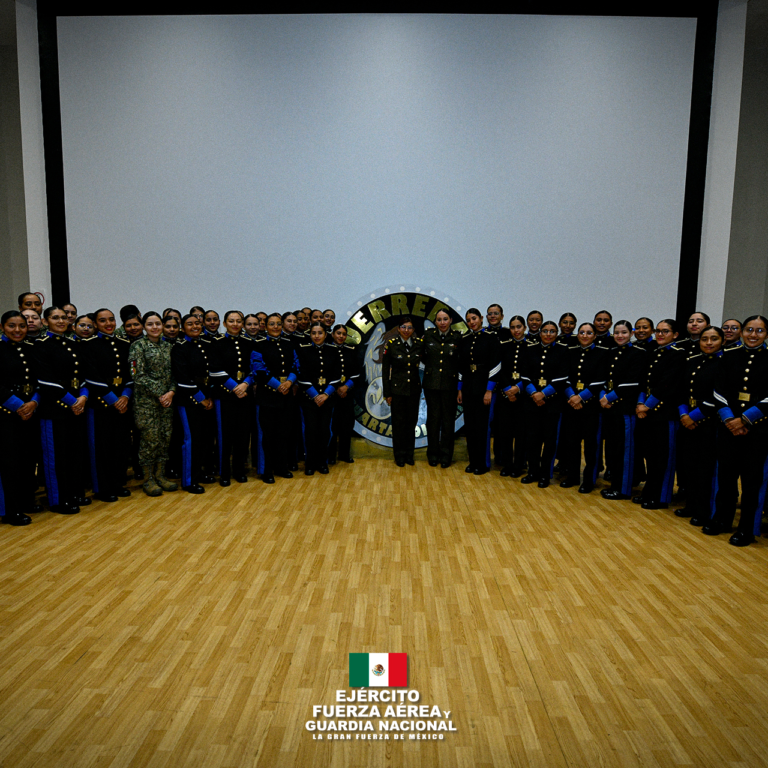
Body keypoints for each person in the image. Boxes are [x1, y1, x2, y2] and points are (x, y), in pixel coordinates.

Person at [704, 315, 768, 546]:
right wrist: (729, 419)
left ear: (766, 334)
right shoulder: (728, 356)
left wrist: (746, 419)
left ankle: (746, 528)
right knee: (726, 477)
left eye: (759, 331)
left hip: (758, 430)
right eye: (749, 330)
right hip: (728, 426)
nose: (753, 335)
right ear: (742, 333)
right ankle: (721, 519)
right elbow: (719, 391)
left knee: (752, 481)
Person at [34, 306, 91, 513]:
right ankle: (58, 499)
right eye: (55, 318)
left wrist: (83, 396)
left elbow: (82, 375)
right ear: (45, 321)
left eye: (64, 318)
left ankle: (74, 492)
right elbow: (45, 380)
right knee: (55, 456)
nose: (60, 321)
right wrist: (72, 400)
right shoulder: (41, 345)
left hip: (76, 406)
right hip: (54, 409)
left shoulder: (72, 343)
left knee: (74, 453)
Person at [633, 319, 686, 509]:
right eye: (658, 331)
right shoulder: (655, 352)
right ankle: (650, 491)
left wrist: (646, 406)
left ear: (676, 334)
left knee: (664, 457)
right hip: (647, 412)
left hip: (665, 413)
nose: (660, 335)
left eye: (666, 331)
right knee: (651, 455)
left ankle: (661, 496)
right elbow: (644, 382)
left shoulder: (678, 355)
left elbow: (667, 384)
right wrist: (640, 403)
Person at [674, 326, 723, 523]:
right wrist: (684, 414)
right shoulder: (692, 361)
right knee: (689, 466)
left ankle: (704, 511)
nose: (708, 343)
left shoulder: (724, 362)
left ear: (722, 341)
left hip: (709, 423)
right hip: (687, 421)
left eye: (713, 339)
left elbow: (719, 395)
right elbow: (681, 391)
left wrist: (694, 416)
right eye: (704, 339)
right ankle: (691, 505)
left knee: (706, 470)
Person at [84, 308, 134, 502]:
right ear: (96, 324)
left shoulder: (124, 343)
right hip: (101, 404)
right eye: (103, 321)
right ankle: (102, 487)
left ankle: (117, 483)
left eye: (111, 320)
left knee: (120, 446)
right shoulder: (89, 345)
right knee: (101, 447)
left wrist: (126, 396)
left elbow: (131, 374)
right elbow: (91, 376)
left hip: (122, 402)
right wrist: (114, 399)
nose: (108, 324)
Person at [129, 312, 178, 496]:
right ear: (144, 326)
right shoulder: (137, 346)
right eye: (150, 324)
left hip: (167, 401)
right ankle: (148, 479)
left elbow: (175, 374)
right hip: (146, 403)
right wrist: (160, 393)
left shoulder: (168, 347)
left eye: (158, 323)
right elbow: (137, 375)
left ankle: (161, 476)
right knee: (150, 440)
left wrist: (171, 392)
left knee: (165, 437)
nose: (155, 327)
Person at [599, 320, 647, 500]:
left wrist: (608, 398)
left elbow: (633, 383)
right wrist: (602, 397)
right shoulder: (611, 352)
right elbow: (605, 378)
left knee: (625, 450)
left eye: (624, 332)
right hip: (610, 408)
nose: (620, 336)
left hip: (626, 409)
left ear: (631, 334)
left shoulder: (638, 353)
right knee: (612, 449)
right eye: (617, 332)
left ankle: (624, 489)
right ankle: (616, 484)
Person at [560, 323, 610, 493]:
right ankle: (572, 476)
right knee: (571, 443)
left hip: (591, 408)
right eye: (582, 332)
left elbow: (600, 380)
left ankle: (589, 479)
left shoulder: (603, 353)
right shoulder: (570, 351)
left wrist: (580, 397)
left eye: (589, 333)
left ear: (595, 335)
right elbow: (565, 378)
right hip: (571, 406)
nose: (585, 335)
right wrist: (572, 397)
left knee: (591, 445)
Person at [0, 311, 39, 525]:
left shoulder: (30, 349)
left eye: (22, 326)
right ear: (2, 327)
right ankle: (10, 510)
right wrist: (18, 406)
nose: (17, 330)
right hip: (6, 415)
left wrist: (34, 402)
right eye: (12, 326)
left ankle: (25, 500)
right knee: (10, 463)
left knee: (27, 460)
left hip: (30, 412)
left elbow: (39, 381)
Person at [250, 313, 299, 483]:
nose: (276, 327)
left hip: (286, 397)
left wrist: (290, 382)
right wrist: (278, 385)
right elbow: (258, 369)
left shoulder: (289, 343)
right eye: (272, 324)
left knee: (283, 433)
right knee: (267, 435)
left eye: (279, 323)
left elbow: (295, 365)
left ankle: (281, 467)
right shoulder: (259, 344)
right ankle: (266, 470)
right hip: (268, 397)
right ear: (266, 326)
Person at [519, 321, 568, 487]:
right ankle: (532, 471)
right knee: (532, 439)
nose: (548, 334)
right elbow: (524, 375)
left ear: (557, 333)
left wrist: (543, 394)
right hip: (532, 402)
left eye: (552, 331)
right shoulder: (530, 349)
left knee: (549, 440)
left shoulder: (562, 350)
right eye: (545, 331)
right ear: (540, 333)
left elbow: (562, 378)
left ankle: (545, 474)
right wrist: (534, 394)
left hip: (552, 403)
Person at [171, 314, 216, 493]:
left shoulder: (205, 344)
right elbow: (182, 378)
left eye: (197, 323)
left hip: (206, 397)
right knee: (192, 440)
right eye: (190, 324)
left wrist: (209, 396)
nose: (195, 326)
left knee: (205, 439)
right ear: (183, 328)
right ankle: (189, 480)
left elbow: (210, 374)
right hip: (188, 401)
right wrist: (201, 399)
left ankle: (200, 473)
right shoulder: (179, 347)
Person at [210, 311, 255, 486]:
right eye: (231, 321)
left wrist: (245, 384)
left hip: (245, 394)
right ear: (225, 323)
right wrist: (234, 387)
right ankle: (224, 472)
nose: (235, 324)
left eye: (238, 321)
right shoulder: (217, 343)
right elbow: (214, 369)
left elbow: (256, 367)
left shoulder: (249, 343)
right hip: (225, 396)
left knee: (243, 435)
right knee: (224, 436)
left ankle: (239, 470)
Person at [457, 308, 500, 475]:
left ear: (481, 318)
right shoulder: (465, 339)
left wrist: (489, 390)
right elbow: (461, 366)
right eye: (468, 320)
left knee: (481, 427)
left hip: (483, 387)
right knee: (470, 427)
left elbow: (496, 366)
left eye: (474, 318)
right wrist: (460, 389)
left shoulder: (491, 338)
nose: (472, 322)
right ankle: (472, 461)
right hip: (468, 387)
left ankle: (482, 464)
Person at [296, 323, 341, 474]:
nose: (316, 336)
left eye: (320, 333)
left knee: (324, 431)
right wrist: (315, 395)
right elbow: (301, 375)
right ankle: (310, 463)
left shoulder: (333, 350)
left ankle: (322, 462)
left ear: (326, 334)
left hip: (327, 399)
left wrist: (326, 394)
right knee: (310, 431)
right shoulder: (303, 350)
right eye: (313, 333)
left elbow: (337, 375)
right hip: (309, 399)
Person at [421, 309, 462, 468]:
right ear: (435, 321)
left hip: (450, 386)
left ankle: (446, 456)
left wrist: (459, 387)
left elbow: (460, 363)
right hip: (431, 385)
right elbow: (422, 357)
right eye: (439, 319)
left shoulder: (457, 337)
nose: (442, 322)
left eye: (445, 319)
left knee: (447, 422)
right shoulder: (428, 336)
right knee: (433, 421)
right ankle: (432, 454)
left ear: (451, 320)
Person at [383, 316, 424, 467]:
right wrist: (387, 393)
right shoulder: (392, 345)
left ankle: (409, 454)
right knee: (399, 424)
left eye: (410, 327)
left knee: (411, 423)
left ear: (414, 330)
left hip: (413, 390)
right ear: (399, 328)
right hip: (397, 391)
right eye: (404, 327)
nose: (407, 330)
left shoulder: (419, 344)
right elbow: (385, 370)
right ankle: (399, 455)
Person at [498, 315, 529, 477]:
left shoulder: (531, 346)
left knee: (521, 433)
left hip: (523, 396)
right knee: (506, 432)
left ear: (524, 328)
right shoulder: (504, 346)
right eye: (512, 327)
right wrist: (507, 389)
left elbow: (531, 372)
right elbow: (500, 370)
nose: (516, 330)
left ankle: (518, 465)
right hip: (505, 395)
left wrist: (518, 388)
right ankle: (507, 464)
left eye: (518, 327)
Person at [328, 324, 361, 465]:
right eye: (338, 333)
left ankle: (344, 454)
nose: (341, 336)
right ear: (332, 334)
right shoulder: (327, 350)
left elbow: (357, 372)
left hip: (347, 394)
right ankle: (330, 455)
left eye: (343, 334)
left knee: (346, 425)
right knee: (332, 426)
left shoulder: (351, 350)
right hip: (331, 394)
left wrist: (346, 387)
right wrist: (335, 388)